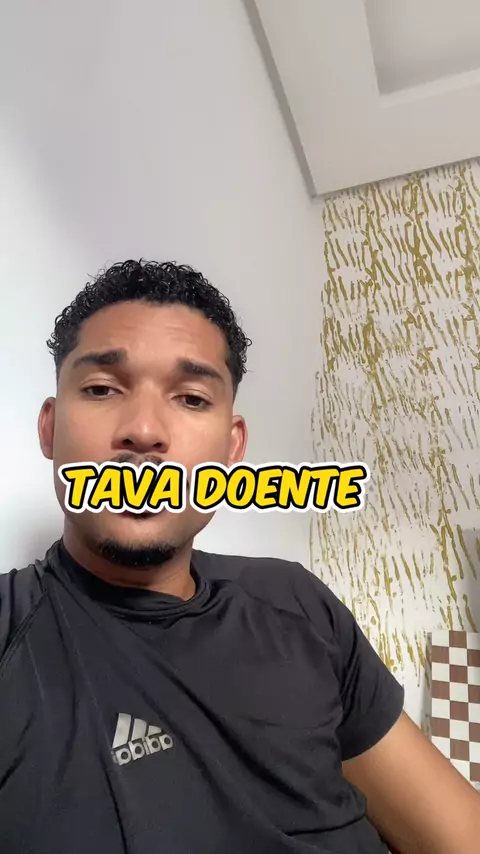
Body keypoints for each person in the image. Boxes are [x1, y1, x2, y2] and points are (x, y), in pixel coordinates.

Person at [0, 260, 477, 854]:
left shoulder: (298, 602)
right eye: (101, 389)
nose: (144, 430)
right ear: (50, 429)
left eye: (191, 397)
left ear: (231, 450)